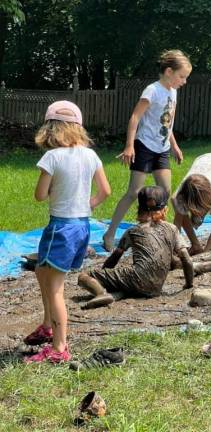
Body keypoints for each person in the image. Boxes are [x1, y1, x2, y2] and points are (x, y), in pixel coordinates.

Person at [24, 101, 111, 363]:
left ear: (50, 128)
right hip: (82, 227)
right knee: (41, 269)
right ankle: (48, 325)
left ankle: (59, 348)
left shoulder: (52, 157)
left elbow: (40, 195)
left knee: (56, 289)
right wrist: (86, 205)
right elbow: (105, 192)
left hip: (60, 229)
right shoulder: (90, 155)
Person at [102, 49, 192, 251]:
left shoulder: (173, 92)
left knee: (167, 192)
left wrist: (175, 146)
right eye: (182, 76)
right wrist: (129, 145)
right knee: (134, 192)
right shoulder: (152, 91)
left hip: (162, 149)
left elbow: (167, 123)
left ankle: (161, 233)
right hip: (144, 146)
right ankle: (109, 234)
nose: (184, 81)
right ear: (169, 71)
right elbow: (135, 117)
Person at [78, 186, 193, 308]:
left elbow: (115, 258)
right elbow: (187, 259)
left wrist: (104, 276)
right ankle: (120, 292)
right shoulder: (172, 229)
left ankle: (101, 294)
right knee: (132, 279)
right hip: (156, 288)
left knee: (83, 276)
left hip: (137, 279)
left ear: (139, 209)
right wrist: (189, 284)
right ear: (164, 209)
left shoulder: (132, 231)